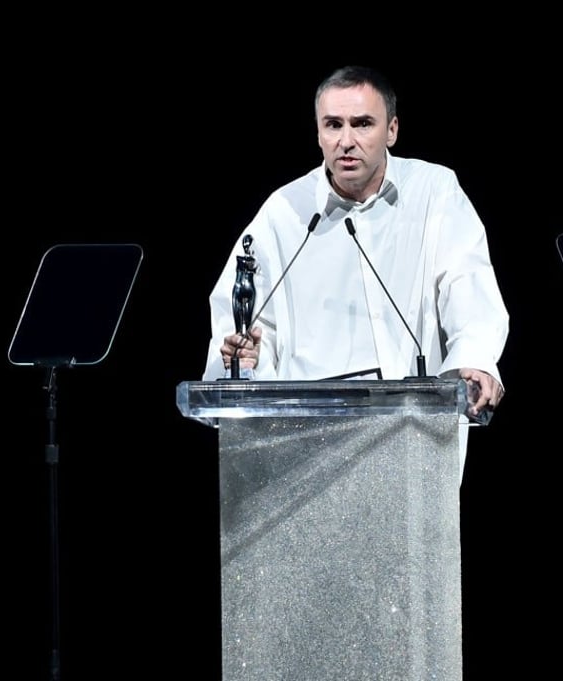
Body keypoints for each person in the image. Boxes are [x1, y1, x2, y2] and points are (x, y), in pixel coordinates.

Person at [200, 65, 509, 481]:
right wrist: (245, 361)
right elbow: (244, 326)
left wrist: (474, 359)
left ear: (392, 130)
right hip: (306, 452)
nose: (346, 141)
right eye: (333, 125)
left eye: (362, 124)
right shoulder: (283, 212)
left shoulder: (434, 192)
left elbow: (467, 283)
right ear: (318, 133)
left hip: (413, 440)